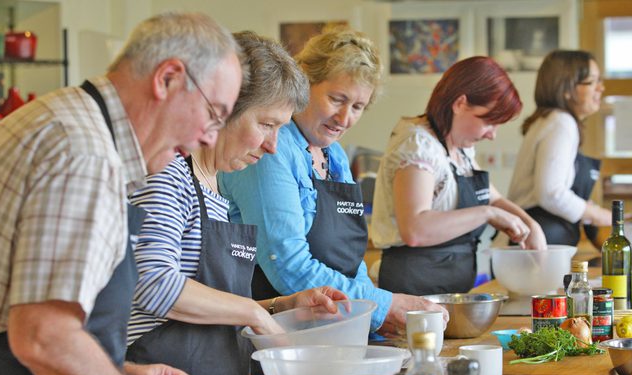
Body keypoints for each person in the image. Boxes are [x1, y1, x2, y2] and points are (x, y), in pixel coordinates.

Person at [0, 12, 258, 375]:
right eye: (213, 114)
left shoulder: (68, 122)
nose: (210, 138)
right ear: (167, 78)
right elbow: (43, 337)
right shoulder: (84, 155)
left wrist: (119, 374)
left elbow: (13, 310)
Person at [124, 31, 345, 375]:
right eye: (266, 124)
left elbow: (209, 312)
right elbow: (153, 285)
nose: (273, 146)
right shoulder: (168, 174)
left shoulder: (215, 184)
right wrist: (253, 314)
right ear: (224, 110)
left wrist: (278, 307)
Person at [218, 27, 446, 336]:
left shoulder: (334, 156)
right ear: (305, 83)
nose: (345, 118)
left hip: (333, 326)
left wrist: (370, 320)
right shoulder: (271, 150)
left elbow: (351, 262)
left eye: (358, 107)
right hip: (275, 334)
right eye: (337, 99)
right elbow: (287, 263)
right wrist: (380, 307)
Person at [370, 56, 547, 296]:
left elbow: (492, 198)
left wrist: (530, 225)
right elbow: (415, 229)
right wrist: (488, 214)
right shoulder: (418, 145)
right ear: (460, 103)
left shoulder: (459, 149)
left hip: (451, 287)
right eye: (489, 122)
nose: (492, 135)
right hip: (414, 289)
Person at [507, 50, 611, 246]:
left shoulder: (552, 120)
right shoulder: (561, 123)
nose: (601, 88)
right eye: (592, 82)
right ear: (567, 88)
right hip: (538, 240)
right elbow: (550, 192)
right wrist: (597, 214)